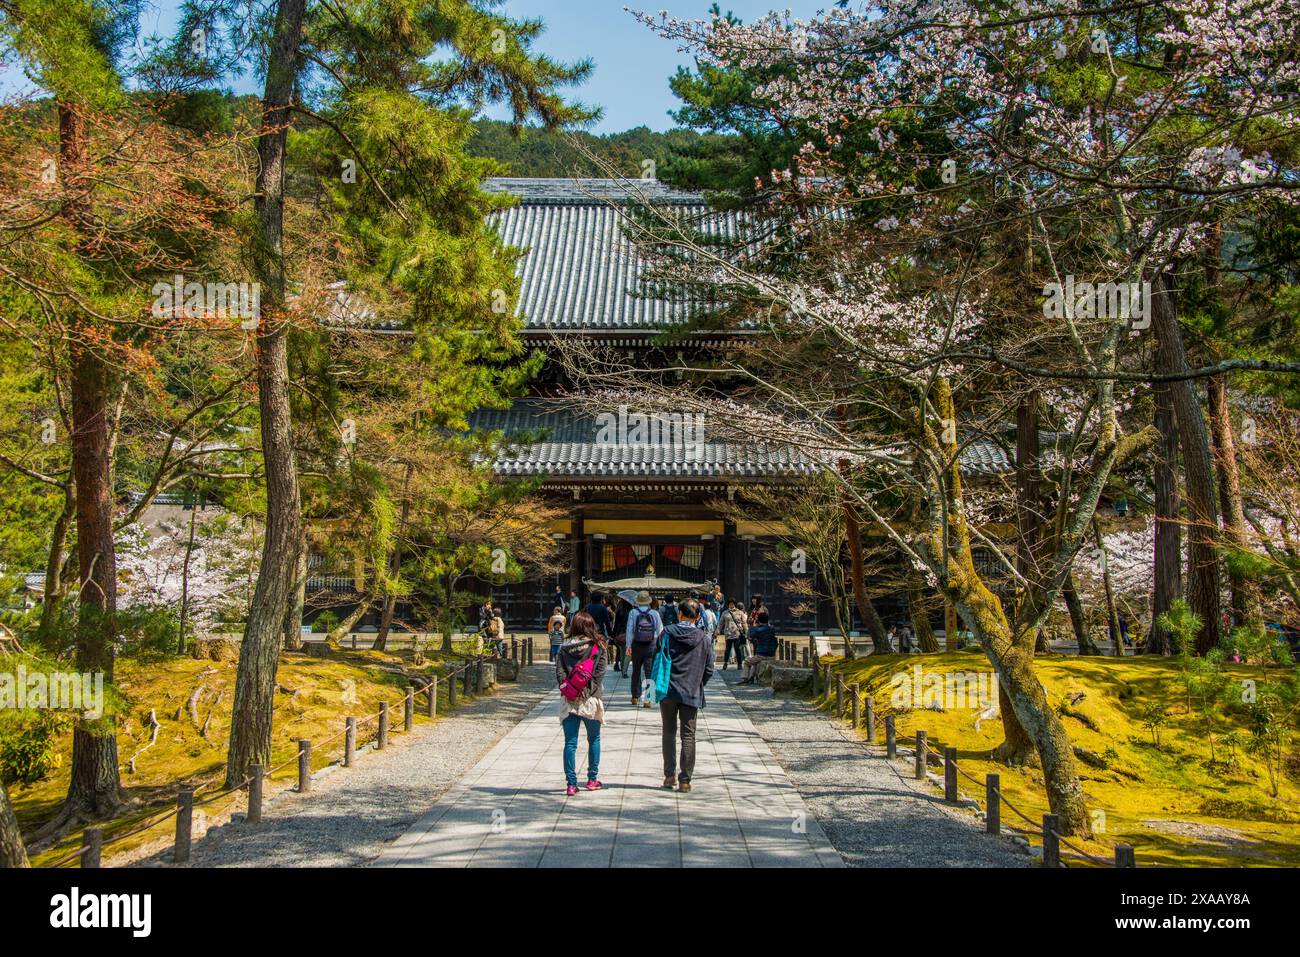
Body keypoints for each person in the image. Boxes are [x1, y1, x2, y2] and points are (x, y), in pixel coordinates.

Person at [656, 597, 715, 793]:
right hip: (691, 690)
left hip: (668, 689)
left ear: (679, 613)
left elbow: (657, 654)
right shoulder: (704, 639)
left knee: (668, 732)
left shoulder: (667, 633)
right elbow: (709, 669)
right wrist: (699, 683)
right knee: (688, 735)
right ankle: (685, 780)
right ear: (698, 616)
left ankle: (669, 775)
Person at [556, 610, 607, 796]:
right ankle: (592, 779)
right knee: (593, 739)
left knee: (570, 743)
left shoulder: (563, 648)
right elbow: (598, 675)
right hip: (591, 700)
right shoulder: (598, 646)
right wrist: (585, 693)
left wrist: (571, 692)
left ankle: (571, 784)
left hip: (569, 700)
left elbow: (560, 675)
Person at [625, 589, 663, 707]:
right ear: (648, 601)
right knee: (649, 672)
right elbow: (660, 630)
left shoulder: (633, 612)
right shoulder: (655, 613)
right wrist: (660, 645)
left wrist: (628, 646)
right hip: (651, 645)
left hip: (636, 645)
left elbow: (629, 630)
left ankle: (635, 697)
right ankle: (648, 699)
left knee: (636, 671)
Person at [739, 611, 778, 684]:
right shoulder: (772, 629)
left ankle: (745, 679)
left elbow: (750, 637)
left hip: (761, 654)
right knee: (755, 662)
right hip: (772, 654)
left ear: (759, 621)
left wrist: (751, 626)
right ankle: (752, 678)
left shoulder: (758, 629)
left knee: (747, 661)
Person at [719, 599, 748, 670]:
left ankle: (740, 664)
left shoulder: (740, 612)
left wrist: (747, 632)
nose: (731, 605)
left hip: (737, 633)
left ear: (735, 604)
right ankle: (725, 663)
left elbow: (744, 623)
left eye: (732, 604)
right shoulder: (725, 613)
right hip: (728, 634)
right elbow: (720, 624)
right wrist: (717, 631)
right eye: (730, 604)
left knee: (737, 649)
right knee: (727, 650)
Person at [611, 597, 630, 675]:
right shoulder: (631, 611)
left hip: (619, 634)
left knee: (621, 652)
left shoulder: (619, 611)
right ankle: (624, 671)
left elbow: (615, 624)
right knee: (628, 654)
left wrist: (613, 633)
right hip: (628, 634)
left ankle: (622, 669)